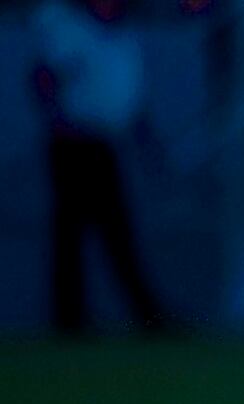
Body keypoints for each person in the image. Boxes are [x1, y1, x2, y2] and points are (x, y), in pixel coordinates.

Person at [31, 0, 164, 333]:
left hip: (104, 144)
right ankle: (70, 320)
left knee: (116, 234)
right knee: (72, 234)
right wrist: (56, 118)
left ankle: (146, 315)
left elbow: (129, 98)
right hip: (73, 144)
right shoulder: (69, 29)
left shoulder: (123, 38)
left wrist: (149, 147)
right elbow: (45, 76)